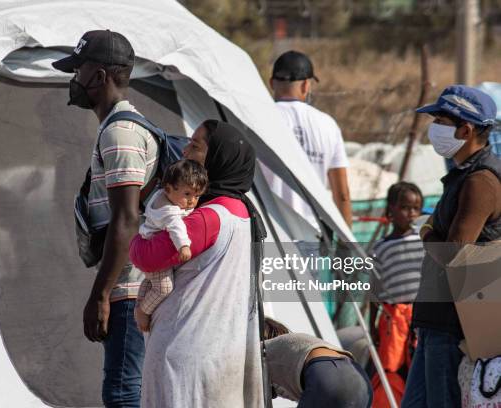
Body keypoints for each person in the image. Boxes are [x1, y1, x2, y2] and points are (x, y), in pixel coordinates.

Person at [53, 30, 159, 407]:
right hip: (130, 287)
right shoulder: (114, 129)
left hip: (130, 291)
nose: (74, 80)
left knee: (122, 392)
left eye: (78, 70)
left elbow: (127, 220)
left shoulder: (121, 133)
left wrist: (100, 296)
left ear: (98, 77)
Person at [129, 120, 266, 407]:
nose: (185, 152)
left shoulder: (208, 217)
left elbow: (143, 256)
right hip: (217, 352)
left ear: (218, 157)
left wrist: (138, 239)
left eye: (196, 146)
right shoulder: (242, 211)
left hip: (183, 353)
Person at [402, 85, 501, 408]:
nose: (435, 128)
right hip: (436, 317)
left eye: (441, 120)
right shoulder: (463, 174)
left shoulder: (480, 181)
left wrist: (427, 232)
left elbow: (455, 254)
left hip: (453, 324)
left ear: (466, 129)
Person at [267, 50, 352, 230]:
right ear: (306, 85)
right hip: (312, 231)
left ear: (272, 83)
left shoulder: (256, 118)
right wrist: (347, 245)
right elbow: (342, 193)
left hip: (269, 231)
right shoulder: (328, 125)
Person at [134, 159, 208, 332]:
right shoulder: (169, 211)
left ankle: (140, 303)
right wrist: (184, 246)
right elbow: (176, 227)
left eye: (197, 196)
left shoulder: (161, 196)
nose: (191, 201)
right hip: (153, 254)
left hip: (145, 249)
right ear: (168, 189)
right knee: (165, 288)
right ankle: (143, 311)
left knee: (152, 281)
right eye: (187, 194)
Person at [369, 182, 425, 404]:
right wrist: (372, 325)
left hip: (420, 315)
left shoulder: (423, 240)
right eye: (405, 207)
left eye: (416, 208)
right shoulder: (380, 248)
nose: (411, 213)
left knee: (420, 365)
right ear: (391, 209)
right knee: (393, 369)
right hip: (393, 322)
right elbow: (375, 291)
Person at [263, 317, 373, 407]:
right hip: (362, 385)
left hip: (329, 378)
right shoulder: (297, 346)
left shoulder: (268, 348)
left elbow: (249, 355)